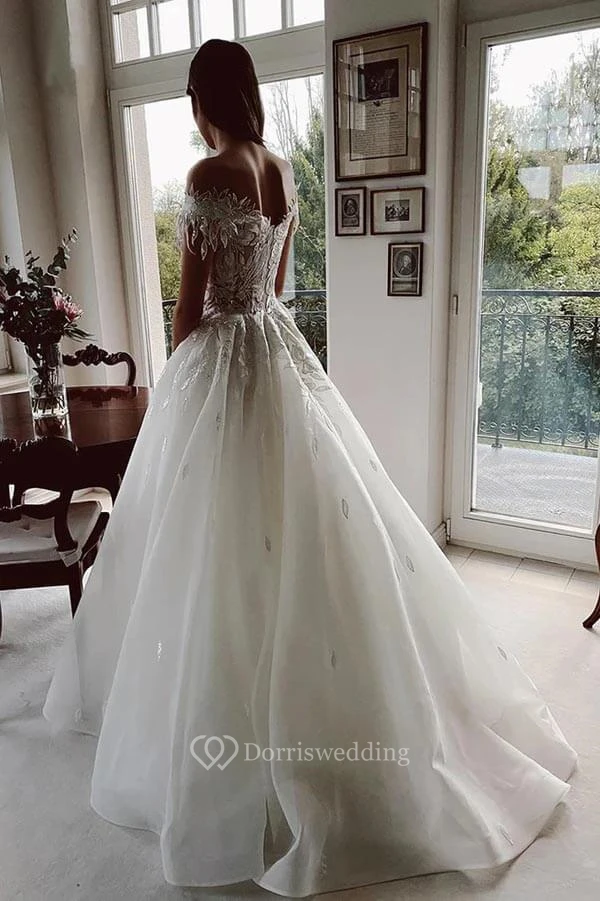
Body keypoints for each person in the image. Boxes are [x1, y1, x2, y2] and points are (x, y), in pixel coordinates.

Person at [43, 39, 576, 899]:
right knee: (309, 525)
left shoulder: (206, 175)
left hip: (224, 359)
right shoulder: (284, 171)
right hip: (278, 350)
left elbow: (188, 312)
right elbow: (278, 283)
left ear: (202, 98)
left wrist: (182, 377)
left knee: (216, 545)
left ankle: (231, 732)